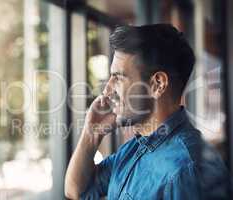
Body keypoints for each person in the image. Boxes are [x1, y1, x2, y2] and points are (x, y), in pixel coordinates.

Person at [64, 24, 229, 200]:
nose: (107, 90)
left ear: (157, 84)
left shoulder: (187, 171)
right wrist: (92, 133)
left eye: (118, 77)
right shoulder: (134, 149)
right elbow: (77, 192)